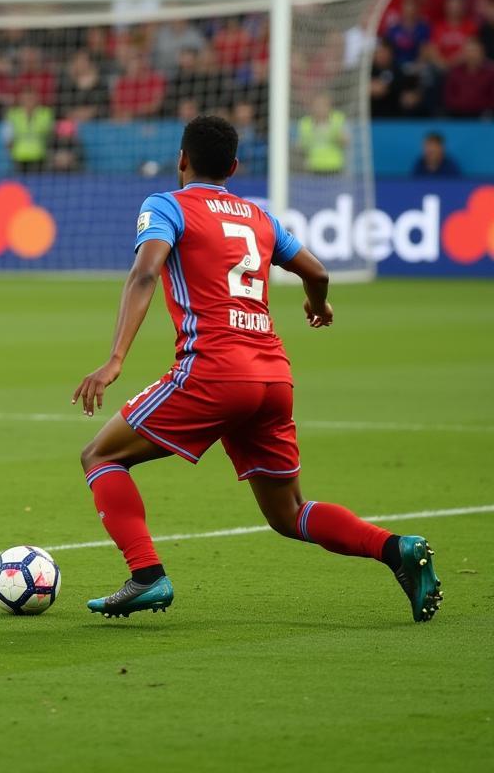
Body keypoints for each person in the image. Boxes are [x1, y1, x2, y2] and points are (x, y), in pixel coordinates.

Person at [72, 116, 442, 623]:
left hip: (214, 371)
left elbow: (146, 272)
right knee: (289, 513)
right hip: (273, 377)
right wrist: (319, 304)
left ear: (182, 160)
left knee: (100, 455)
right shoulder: (258, 216)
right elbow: (318, 270)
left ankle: (146, 575)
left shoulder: (166, 205)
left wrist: (115, 359)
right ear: (234, 166)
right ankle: (397, 548)